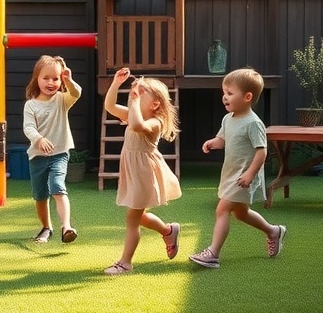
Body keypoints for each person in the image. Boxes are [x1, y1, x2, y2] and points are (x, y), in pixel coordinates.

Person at [189, 67, 286, 270]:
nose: (225, 97)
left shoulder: (253, 123)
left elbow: (262, 152)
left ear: (248, 96)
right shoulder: (228, 118)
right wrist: (213, 142)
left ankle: (213, 254)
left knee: (222, 209)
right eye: (224, 93)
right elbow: (223, 138)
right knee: (241, 213)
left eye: (230, 93)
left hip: (244, 175)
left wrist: (250, 174)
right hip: (231, 173)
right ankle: (273, 231)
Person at [103, 68, 182, 275]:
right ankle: (168, 231)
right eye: (133, 91)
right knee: (139, 215)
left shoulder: (155, 122)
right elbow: (110, 106)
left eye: (140, 93)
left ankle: (125, 263)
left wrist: (134, 104)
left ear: (155, 104)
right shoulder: (132, 113)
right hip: (134, 171)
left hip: (144, 172)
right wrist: (115, 84)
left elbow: (137, 125)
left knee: (132, 218)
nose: (134, 95)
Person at [23, 55, 82, 244]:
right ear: (36, 79)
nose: (51, 82)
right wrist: (38, 139)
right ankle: (46, 228)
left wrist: (68, 80)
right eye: (46, 78)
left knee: (57, 186)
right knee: (40, 196)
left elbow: (77, 93)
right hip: (37, 157)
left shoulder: (62, 100)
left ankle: (67, 227)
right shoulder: (31, 105)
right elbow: (28, 127)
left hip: (59, 154)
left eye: (55, 79)